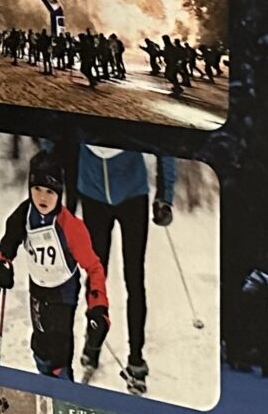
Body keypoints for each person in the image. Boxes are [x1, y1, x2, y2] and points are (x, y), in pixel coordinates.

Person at [52, 140, 177, 389]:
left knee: (134, 278)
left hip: (133, 194)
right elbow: (56, 134)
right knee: (96, 274)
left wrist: (165, 196)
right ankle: (93, 345)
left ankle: (136, 360)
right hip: (92, 192)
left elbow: (165, 142)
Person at [0, 152, 110, 379]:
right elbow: (9, 242)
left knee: (59, 350)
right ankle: (46, 383)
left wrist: (98, 308)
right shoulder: (24, 214)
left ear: (60, 193)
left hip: (63, 292)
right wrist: (1, 264)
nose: (42, 197)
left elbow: (94, 268)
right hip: (38, 287)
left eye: (50, 192)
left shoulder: (72, 228)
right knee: (41, 346)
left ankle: (64, 389)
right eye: (37, 189)